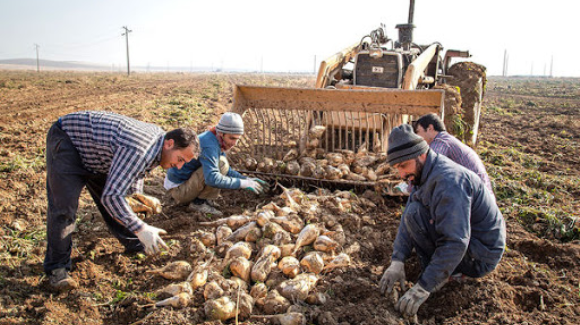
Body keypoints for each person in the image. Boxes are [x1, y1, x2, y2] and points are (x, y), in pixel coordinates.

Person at [44, 110, 200, 290]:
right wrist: (141, 228)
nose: (179, 166)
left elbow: (135, 172)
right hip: (68, 142)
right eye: (180, 159)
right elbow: (113, 196)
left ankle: (134, 242)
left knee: (116, 202)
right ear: (170, 143)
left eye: (184, 163)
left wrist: (136, 194)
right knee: (64, 210)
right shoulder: (141, 149)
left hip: (96, 154)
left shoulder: (158, 144)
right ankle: (57, 269)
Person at [378, 124, 506, 316]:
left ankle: (449, 274)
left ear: (421, 154)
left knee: (419, 218)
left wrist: (424, 286)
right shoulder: (425, 173)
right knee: (413, 212)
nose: (401, 175)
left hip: (480, 256)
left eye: (403, 166)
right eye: (397, 168)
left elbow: (455, 242)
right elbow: (407, 218)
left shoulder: (448, 182)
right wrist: (397, 260)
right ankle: (440, 269)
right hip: (470, 243)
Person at [164, 112, 268, 216]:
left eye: (237, 139)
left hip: (186, 184)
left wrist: (246, 179)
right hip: (178, 191)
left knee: (221, 164)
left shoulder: (215, 138)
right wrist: (242, 184)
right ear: (222, 133)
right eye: (232, 138)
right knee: (220, 164)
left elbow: (227, 171)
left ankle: (204, 200)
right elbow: (212, 178)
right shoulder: (209, 144)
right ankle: (198, 204)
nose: (234, 143)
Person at [413, 113, 493, 194]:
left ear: (430, 128)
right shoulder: (447, 140)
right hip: (480, 192)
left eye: (418, 132)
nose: (417, 136)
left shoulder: (441, 143)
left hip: (475, 195)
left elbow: (429, 169)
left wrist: (412, 186)